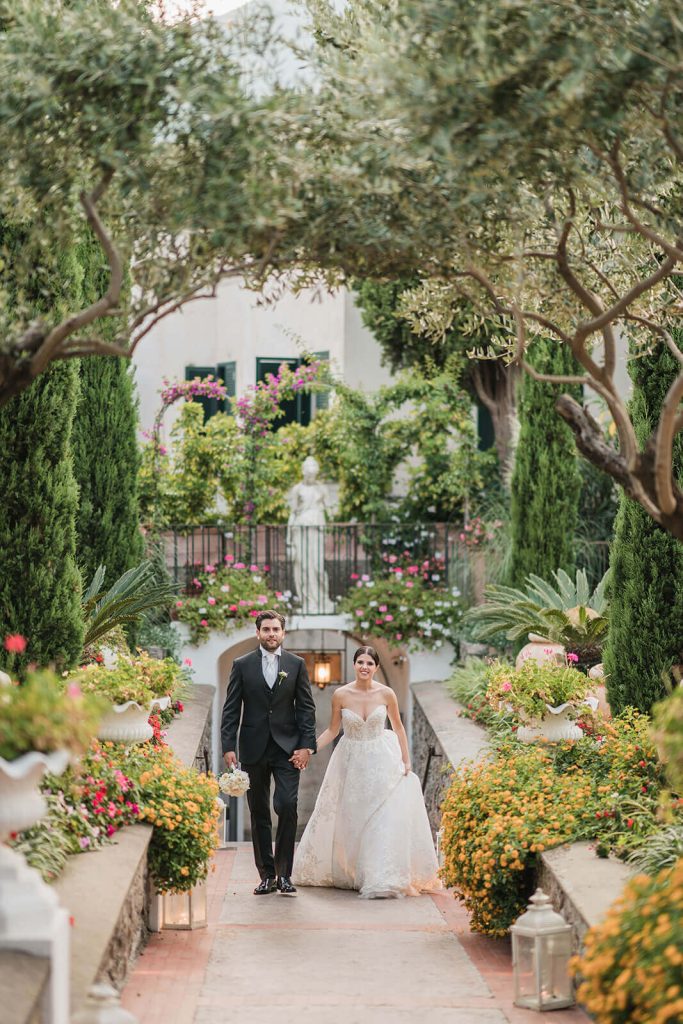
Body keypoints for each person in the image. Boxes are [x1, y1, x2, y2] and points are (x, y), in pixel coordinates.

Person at [292, 646, 440, 899]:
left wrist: (406, 761)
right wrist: (309, 749)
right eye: (360, 662)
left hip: (382, 759)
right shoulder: (340, 694)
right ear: (354, 664)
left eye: (369, 663)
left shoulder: (387, 694)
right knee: (352, 817)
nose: (364, 667)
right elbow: (332, 730)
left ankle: (379, 874)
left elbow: (399, 728)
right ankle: (352, 871)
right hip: (350, 761)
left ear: (376, 667)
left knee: (381, 816)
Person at [221, 610, 317, 896]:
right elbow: (231, 708)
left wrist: (306, 745)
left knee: (287, 805)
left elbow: (307, 708)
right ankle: (266, 875)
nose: (271, 634)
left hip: (288, 749)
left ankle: (284, 874)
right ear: (258, 633)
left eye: (276, 629)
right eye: (266, 629)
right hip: (253, 748)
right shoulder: (242, 665)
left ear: (283, 633)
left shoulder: (296, 664)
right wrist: (228, 746)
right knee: (259, 811)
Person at [286, 456, 334, 613]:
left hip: (317, 529)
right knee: (304, 568)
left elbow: (330, 509)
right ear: (303, 472)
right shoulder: (297, 489)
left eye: (314, 474)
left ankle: (323, 601)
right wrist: (289, 542)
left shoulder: (322, 489)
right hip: (300, 530)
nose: (311, 476)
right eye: (309, 473)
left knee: (318, 568)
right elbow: (292, 514)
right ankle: (308, 603)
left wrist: (330, 512)